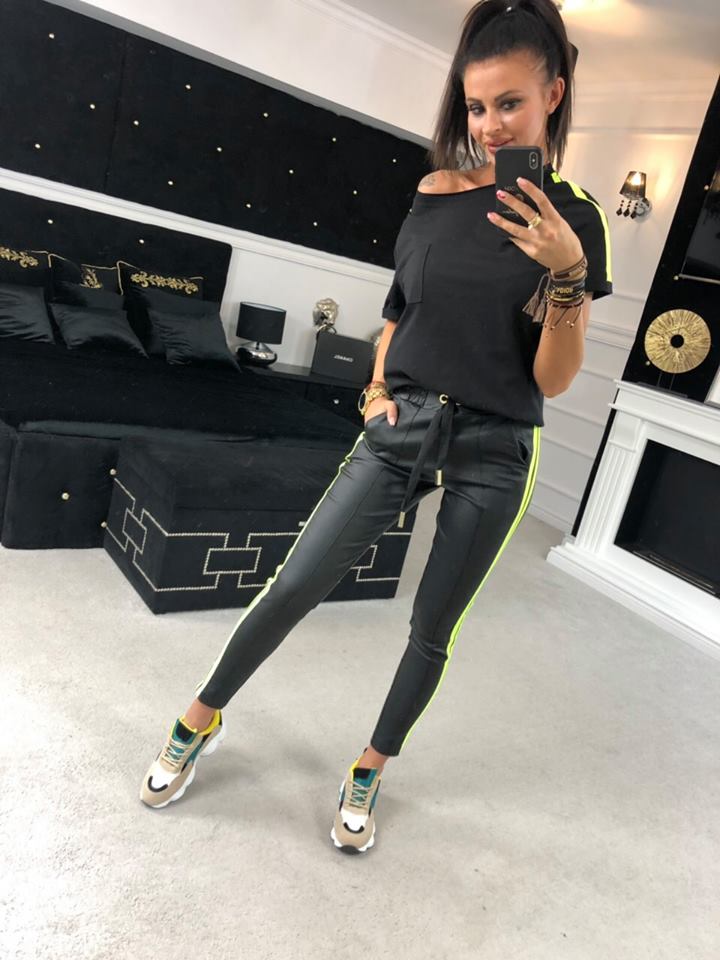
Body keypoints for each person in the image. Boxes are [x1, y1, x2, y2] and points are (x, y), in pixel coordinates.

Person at [139, 0, 613, 854]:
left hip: (497, 446)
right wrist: (373, 391)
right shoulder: (434, 194)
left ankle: (370, 765)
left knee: (433, 628)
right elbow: (398, 313)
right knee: (296, 582)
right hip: (403, 424)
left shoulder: (577, 223)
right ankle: (201, 716)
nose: (490, 124)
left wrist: (570, 274)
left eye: (510, 102)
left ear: (553, 94)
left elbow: (552, 378)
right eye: (477, 104)